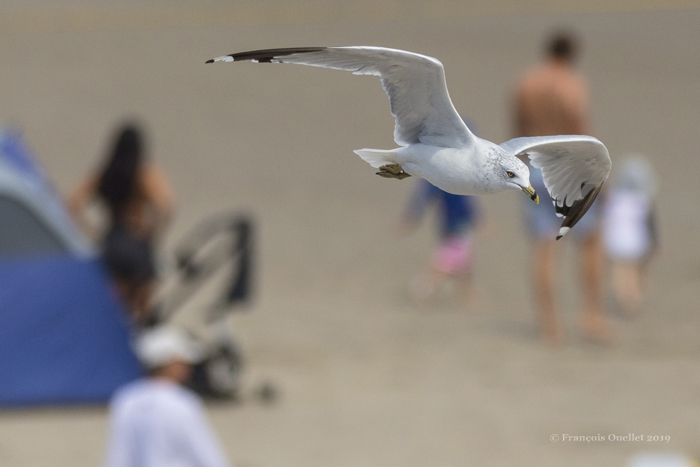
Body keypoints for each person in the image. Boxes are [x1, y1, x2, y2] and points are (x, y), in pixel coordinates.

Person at [513, 32, 609, 345]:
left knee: (544, 247)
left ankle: (550, 327)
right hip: (568, 169)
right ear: (571, 55)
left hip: (535, 166)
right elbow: (581, 130)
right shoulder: (571, 83)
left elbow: (518, 130)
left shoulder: (525, 83)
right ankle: (591, 318)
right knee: (590, 241)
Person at [68, 123, 174, 324]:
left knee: (114, 306)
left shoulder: (104, 173)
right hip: (137, 242)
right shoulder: (145, 174)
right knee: (142, 308)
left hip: (112, 240)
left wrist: (92, 231)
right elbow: (166, 206)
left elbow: (72, 204)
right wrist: (151, 230)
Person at [104, 326, 233, 467]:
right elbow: (207, 456)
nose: (187, 365)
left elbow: (120, 456)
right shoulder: (181, 401)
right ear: (169, 362)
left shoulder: (126, 399)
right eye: (182, 360)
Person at [401, 179, 481, 307]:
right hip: (454, 226)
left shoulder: (457, 176)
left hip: (457, 225)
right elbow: (424, 197)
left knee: (466, 263)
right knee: (446, 264)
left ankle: (467, 296)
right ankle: (423, 289)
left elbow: (469, 202)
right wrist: (411, 219)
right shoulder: (441, 177)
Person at [602, 155, 659, 315]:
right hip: (635, 242)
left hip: (615, 241)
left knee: (619, 270)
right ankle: (633, 298)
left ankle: (622, 297)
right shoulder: (642, 201)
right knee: (632, 270)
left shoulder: (613, 198)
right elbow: (650, 225)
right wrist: (654, 244)